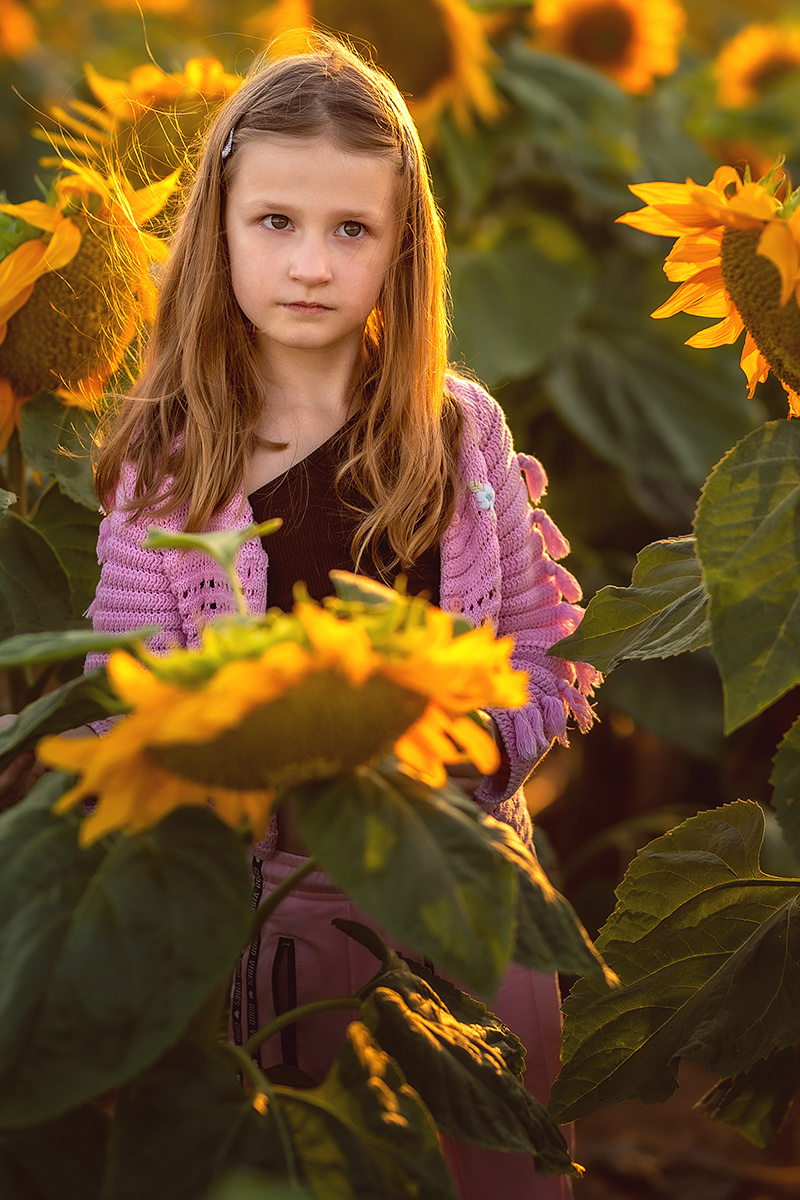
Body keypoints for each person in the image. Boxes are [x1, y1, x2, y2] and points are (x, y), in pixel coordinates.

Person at [75, 37, 599, 1199]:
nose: (309, 263)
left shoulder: (458, 438)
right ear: (217, 227)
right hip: (260, 924)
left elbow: (534, 655)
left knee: (479, 1161)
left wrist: (453, 755)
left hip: (460, 893)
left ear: (400, 247)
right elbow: (130, 702)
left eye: (349, 230)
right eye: (275, 222)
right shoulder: (170, 466)